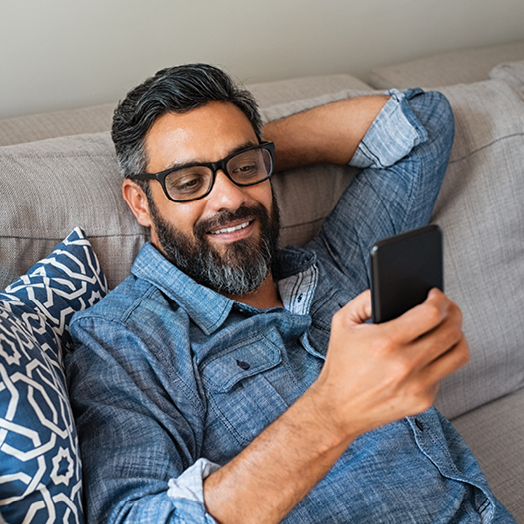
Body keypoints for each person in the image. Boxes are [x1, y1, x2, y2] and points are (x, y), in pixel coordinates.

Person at [66, 63, 515, 523]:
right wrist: (333, 410)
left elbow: (423, 124)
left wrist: (251, 153)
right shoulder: (122, 341)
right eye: (188, 182)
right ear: (141, 202)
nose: (228, 199)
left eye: (245, 169)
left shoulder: (331, 266)